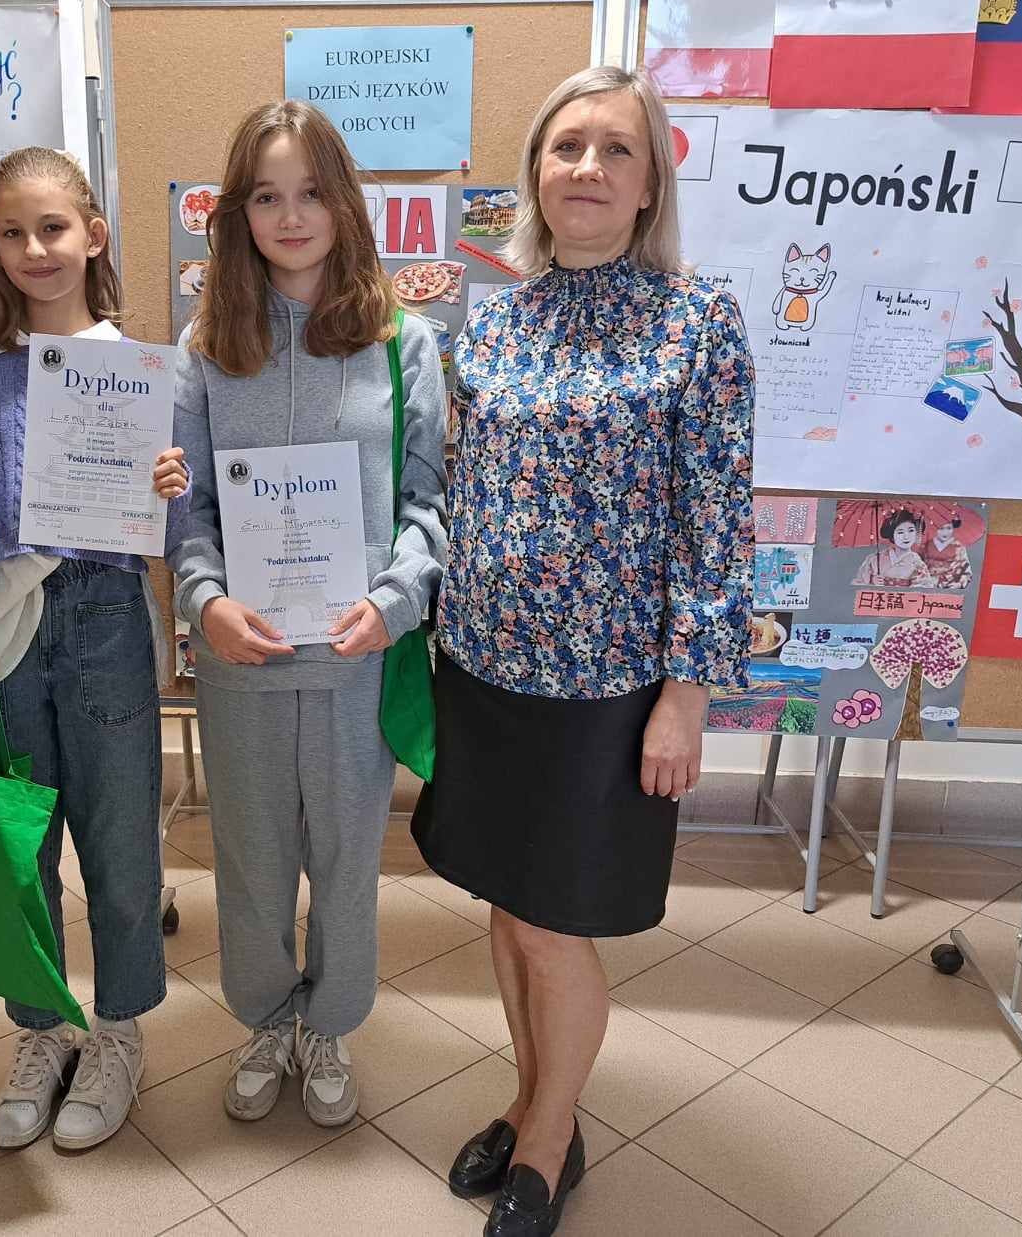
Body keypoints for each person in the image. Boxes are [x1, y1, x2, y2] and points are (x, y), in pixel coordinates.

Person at [410, 65, 755, 1237]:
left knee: (556, 925)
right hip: (483, 669)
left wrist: (686, 695)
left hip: (607, 688)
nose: (589, 169)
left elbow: (717, 518)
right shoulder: (495, 318)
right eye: (567, 147)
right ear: (536, 174)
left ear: (651, 181)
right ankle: (531, 1099)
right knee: (510, 911)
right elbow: (463, 484)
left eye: (616, 149)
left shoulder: (698, 319)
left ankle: (550, 1143)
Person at [166, 100, 448, 1128]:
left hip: (353, 657)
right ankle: (263, 1019)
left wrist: (395, 598)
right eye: (266, 197)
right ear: (237, 214)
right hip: (242, 659)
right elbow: (188, 506)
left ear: (345, 203)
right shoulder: (205, 345)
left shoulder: (402, 343)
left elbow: (427, 501)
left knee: (344, 863)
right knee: (248, 861)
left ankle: (329, 1022)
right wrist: (204, 600)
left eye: (312, 193)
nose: (291, 218)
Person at [0, 147, 187, 1152]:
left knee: (119, 844)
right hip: (8, 618)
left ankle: (117, 1030)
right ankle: (41, 1030)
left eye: (52, 227)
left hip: (105, 613)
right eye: (12, 232)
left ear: (93, 234)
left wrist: (169, 488)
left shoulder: (137, 368)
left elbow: (174, 526)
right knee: (20, 841)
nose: (34, 248)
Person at [852, 509, 935, 588]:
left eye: (911, 531)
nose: (906, 536)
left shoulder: (917, 563)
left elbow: (925, 588)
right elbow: (858, 583)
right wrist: (871, 581)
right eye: (900, 532)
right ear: (892, 535)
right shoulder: (874, 560)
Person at [920, 515, 974, 589]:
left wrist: (959, 584)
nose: (945, 532)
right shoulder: (926, 546)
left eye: (948, 528)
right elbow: (919, 566)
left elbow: (966, 571)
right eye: (941, 528)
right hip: (929, 583)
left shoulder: (959, 547)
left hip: (951, 584)